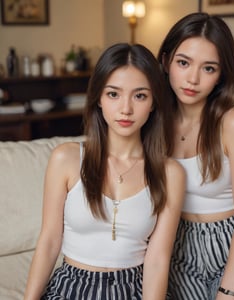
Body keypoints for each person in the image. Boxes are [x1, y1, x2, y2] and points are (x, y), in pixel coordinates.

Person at [23, 43, 185, 300]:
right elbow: (50, 240)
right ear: (98, 98)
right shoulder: (65, 158)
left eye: (140, 95)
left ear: (154, 102)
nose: (126, 109)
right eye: (113, 94)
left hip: (133, 288)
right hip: (70, 287)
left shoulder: (170, 173)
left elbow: (157, 259)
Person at [157, 12, 234, 300]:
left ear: (221, 75)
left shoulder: (233, 122)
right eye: (183, 62)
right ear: (166, 62)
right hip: (180, 248)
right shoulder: (154, 121)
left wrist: (227, 291)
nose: (193, 78)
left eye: (209, 68)